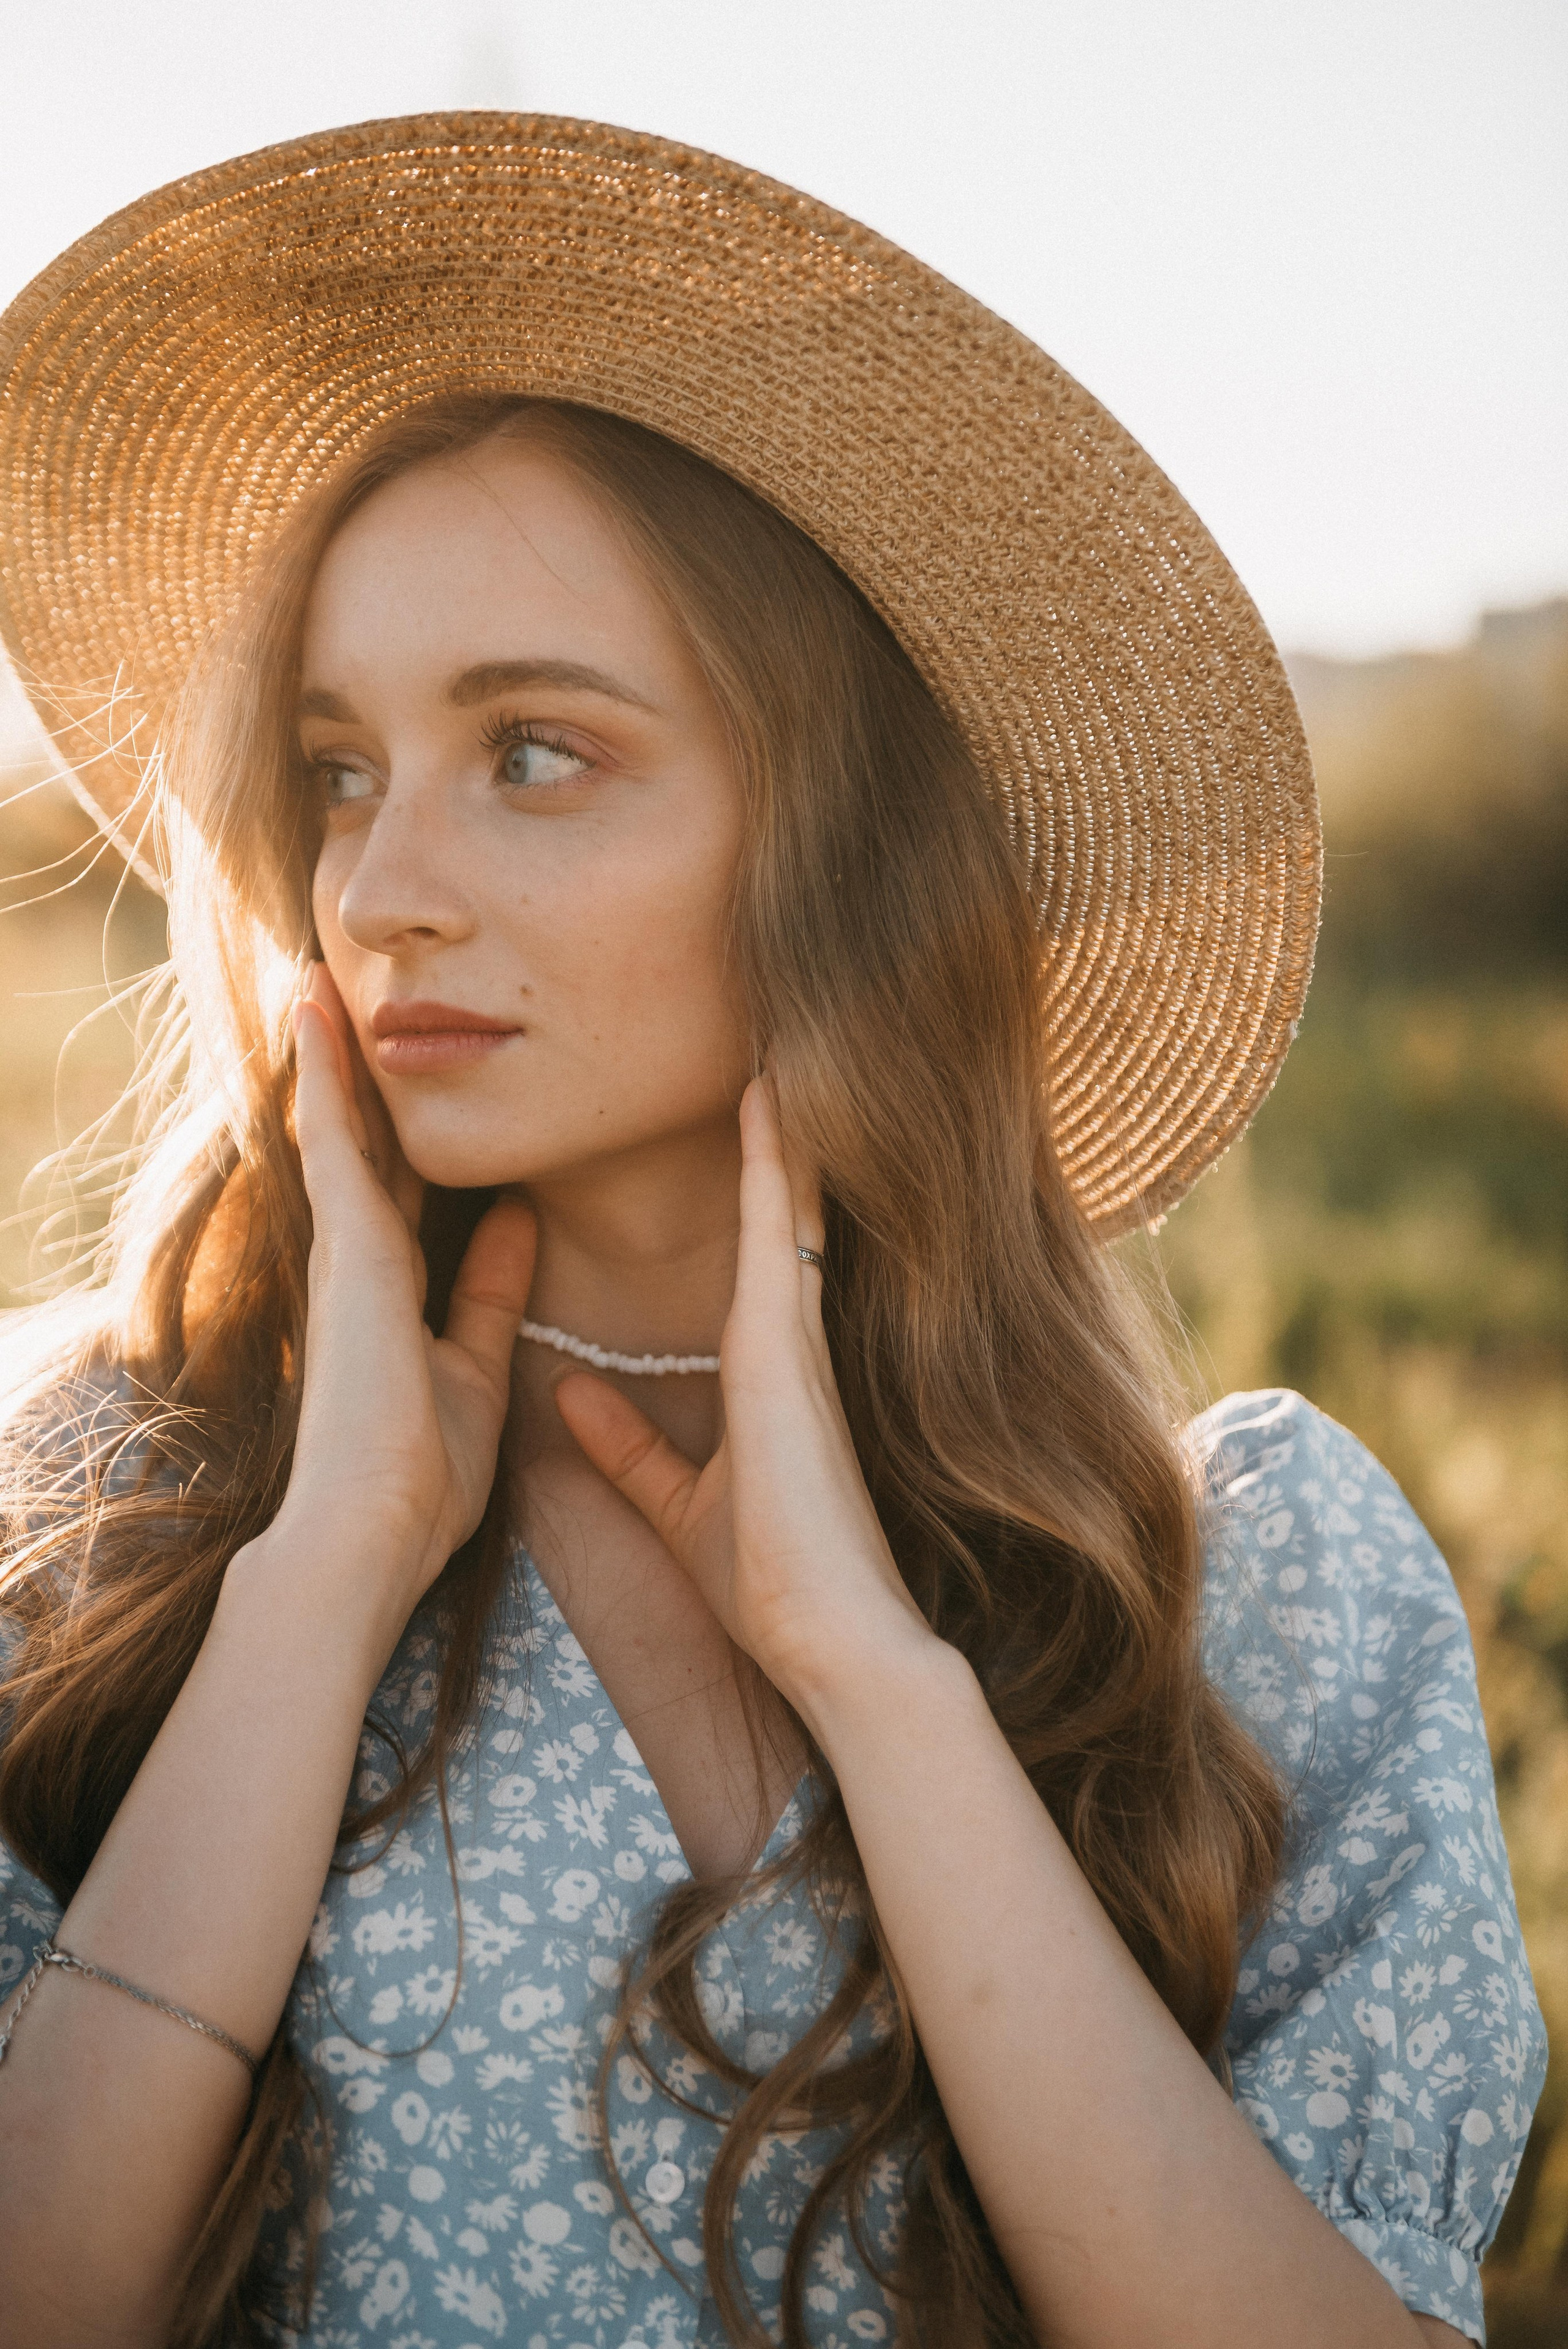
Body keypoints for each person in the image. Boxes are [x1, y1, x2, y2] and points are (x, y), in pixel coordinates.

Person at [0, 115, 1544, 2349]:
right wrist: (317, 1582)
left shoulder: (1255, 1585)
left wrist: (880, 1687)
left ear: (837, 849)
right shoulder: (104, 1502)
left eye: (535, 750)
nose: (379, 885)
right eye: (340, 766)